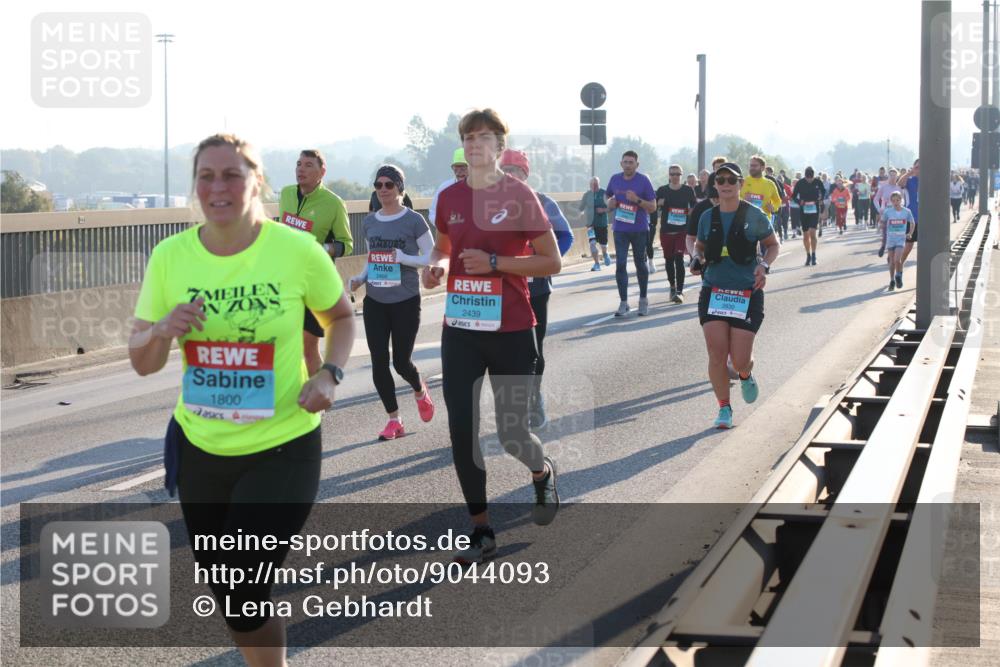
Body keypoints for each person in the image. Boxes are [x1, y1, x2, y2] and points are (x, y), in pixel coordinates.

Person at [130, 133, 355, 666]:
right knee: (231, 597)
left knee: (245, 579)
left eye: (231, 175)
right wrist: (161, 329)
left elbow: (341, 317)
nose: (218, 187)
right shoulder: (170, 257)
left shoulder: (295, 251)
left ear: (257, 182)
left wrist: (329, 373)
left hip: (283, 446)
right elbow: (142, 361)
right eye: (206, 176)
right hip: (200, 450)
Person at [422, 109, 562, 564]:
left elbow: (552, 261)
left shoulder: (518, 195)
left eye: (484, 137)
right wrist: (437, 267)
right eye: (468, 137)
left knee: (512, 432)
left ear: (500, 146)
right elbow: (444, 247)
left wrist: (497, 264)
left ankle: (541, 473)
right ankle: (481, 530)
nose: (474, 144)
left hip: (512, 329)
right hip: (462, 328)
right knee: (462, 430)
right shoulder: (450, 197)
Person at [349, 165, 435, 440]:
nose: (383, 189)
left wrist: (403, 258)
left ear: (400, 188)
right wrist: (360, 278)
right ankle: (394, 420)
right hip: (375, 300)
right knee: (378, 361)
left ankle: (419, 388)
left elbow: (431, 256)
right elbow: (373, 257)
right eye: (378, 185)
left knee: (401, 362)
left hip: (405, 300)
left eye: (389, 184)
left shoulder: (414, 220)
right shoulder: (370, 222)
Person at [690, 162, 779, 429]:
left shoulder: (754, 215)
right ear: (715, 185)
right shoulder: (708, 217)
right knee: (716, 354)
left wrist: (764, 265)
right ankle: (724, 408)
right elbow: (699, 245)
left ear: (740, 184)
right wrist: (696, 257)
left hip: (746, 292)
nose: (726, 184)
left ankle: (745, 374)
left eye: (731, 180)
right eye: (721, 180)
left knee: (739, 361)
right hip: (714, 290)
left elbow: (772, 245)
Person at [500, 149, 573, 429]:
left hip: (537, 288)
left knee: (533, 349)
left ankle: (534, 398)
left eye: (514, 171)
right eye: (504, 170)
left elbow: (565, 236)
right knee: (504, 350)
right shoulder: (490, 205)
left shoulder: (542, 201)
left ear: (525, 174)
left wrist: (547, 261)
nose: (508, 176)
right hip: (505, 288)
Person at [278, 149, 353, 375]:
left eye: (308, 165)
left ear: (322, 172)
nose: (301, 169)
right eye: (299, 164)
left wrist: (323, 248)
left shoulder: (334, 203)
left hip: (314, 283)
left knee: (308, 346)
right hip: (286, 281)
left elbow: (347, 244)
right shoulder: (286, 194)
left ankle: (319, 393)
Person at [606, 150, 657, 316]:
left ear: (637, 164)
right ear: (621, 163)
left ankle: (643, 299)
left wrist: (637, 200)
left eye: (631, 162)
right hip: (620, 229)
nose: (628, 165)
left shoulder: (643, 181)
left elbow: (653, 207)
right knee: (620, 265)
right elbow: (607, 196)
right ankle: (623, 302)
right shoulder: (615, 179)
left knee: (640, 264)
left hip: (639, 229)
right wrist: (610, 202)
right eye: (625, 162)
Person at [656, 163, 698, 302]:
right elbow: (653, 206)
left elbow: (694, 205)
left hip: (682, 230)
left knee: (679, 259)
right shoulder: (662, 190)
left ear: (681, 175)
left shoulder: (687, 190)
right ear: (669, 175)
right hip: (666, 231)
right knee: (669, 260)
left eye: (677, 174)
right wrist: (659, 203)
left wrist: (689, 211)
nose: (675, 176)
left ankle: (679, 291)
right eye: (672, 174)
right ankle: (672, 287)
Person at [878, 191, 915, 290]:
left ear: (901, 200)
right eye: (893, 200)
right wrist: (881, 225)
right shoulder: (888, 211)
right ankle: (892, 280)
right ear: (891, 201)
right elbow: (882, 221)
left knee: (897, 259)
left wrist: (910, 233)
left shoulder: (906, 211)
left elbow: (912, 223)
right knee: (891, 261)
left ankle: (898, 275)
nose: (895, 202)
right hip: (891, 239)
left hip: (900, 239)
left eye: (897, 200)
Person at [792, 166, 826, 265]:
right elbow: (794, 196)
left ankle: (814, 255)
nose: (809, 180)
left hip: (814, 210)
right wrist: (799, 202)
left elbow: (823, 191)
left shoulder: (818, 182)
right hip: (804, 210)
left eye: (811, 178)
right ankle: (808, 255)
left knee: (812, 233)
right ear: (805, 176)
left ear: (813, 176)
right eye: (807, 178)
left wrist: (821, 198)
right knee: (806, 235)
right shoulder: (800, 183)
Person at [428, 148, 469, 227]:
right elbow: (433, 212)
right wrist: (445, 226)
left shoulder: (480, 188)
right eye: (456, 168)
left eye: (463, 168)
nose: (459, 172)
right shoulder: (444, 187)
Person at [579, 176, 611, 270]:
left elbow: (611, 207)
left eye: (596, 184)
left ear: (598, 184)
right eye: (592, 184)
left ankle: (605, 254)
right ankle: (597, 264)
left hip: (602, 224)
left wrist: (603, 210)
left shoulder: (604, 193)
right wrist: (581, 214)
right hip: (590, 225)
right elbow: (581, 208)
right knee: (592, 243)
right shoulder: (587, 195)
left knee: (603, 244)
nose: (594, 186)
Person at [896, 159, 920, 267]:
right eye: (917, 167)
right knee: (908, 246)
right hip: (912, 218)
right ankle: (900, 264)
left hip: (926, 219)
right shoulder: (910, 180)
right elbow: (900, 183)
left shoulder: (929, 180)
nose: (919, 169)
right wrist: (910, 172)